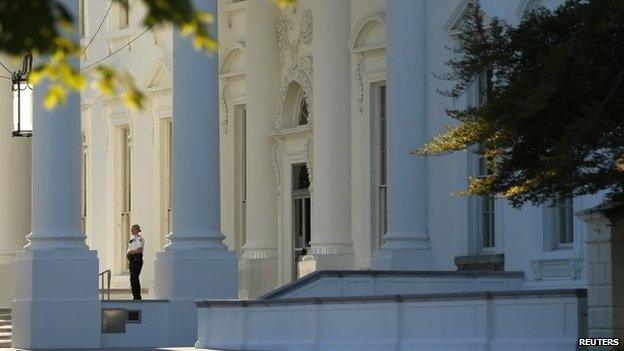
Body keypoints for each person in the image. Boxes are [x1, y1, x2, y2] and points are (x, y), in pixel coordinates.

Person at [126, 224, 144, 300]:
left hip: (137, 258)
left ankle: (137, 296)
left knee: (134, 277)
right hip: (132, 259)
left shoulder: (139, 239)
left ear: (137, 230)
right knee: (132, 278)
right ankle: (135, 295)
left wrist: (130, 252)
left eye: (133, 229)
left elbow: (139, 249)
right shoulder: (132, 239)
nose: (132, 231)